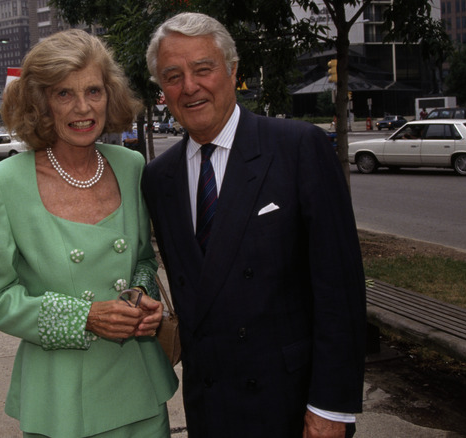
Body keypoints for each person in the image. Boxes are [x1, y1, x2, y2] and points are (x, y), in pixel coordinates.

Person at [141, 12, 366, 438]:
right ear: (161, 90)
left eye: (203, 69)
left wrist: (331, 408)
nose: (189, 86)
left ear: (232, 70)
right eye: (173, 76)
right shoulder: (159, 178)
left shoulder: (298, 147)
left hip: (292, 406)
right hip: (209, 406)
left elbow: (341, 289)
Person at [0, 29, 178, 438]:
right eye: (64, 93)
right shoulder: (1, 185)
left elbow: (143, 258)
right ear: (40, 102)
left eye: (94, 91)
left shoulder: (130, 166)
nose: (83, 108)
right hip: (61, 399)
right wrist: (84, 317)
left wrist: (141, 299)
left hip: (138, 388)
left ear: (110, 95)